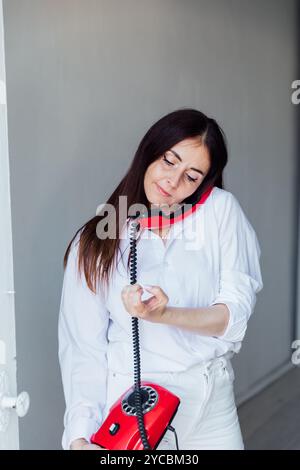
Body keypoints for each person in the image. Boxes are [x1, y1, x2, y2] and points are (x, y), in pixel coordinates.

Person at [58, 108, 263, 450]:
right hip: (138, 409)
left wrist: (165, 315)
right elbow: (83, 351)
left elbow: (233, 316)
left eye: (192, 176)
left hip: (214, 402)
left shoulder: (221, 212)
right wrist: (81, 438)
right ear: (151, 149)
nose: (172, 181)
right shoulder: (94, 243)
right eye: (169, 160)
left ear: (204, 183)